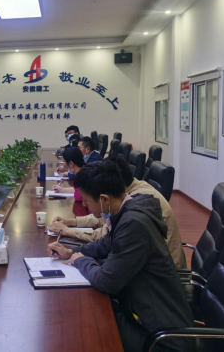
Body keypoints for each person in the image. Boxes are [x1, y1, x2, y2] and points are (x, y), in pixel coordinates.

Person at [47, 161, 193, 352]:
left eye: (86, 200)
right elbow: (105, 243)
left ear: (104, 199)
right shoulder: (128, 209)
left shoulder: (134, 223)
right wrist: (71, 252)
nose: (85, 204)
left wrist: (80, 260)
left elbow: (106, 280)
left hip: (159, 336)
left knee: (89, 326)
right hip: (139, 309)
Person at [49, 156, 187, 269]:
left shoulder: (135, 204)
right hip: (141, 264)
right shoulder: (127, 193)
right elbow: (104, 224)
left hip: (157, 276)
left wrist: (68, 232)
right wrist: (71, 223)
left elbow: (105, 236)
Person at [52, 148, 89, 215]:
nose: (63, 164)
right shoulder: (83, 172)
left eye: (64, 161)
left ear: (71, 163)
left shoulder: (81, 177)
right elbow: (77, 190)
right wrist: (62, 190)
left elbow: (78, 197)